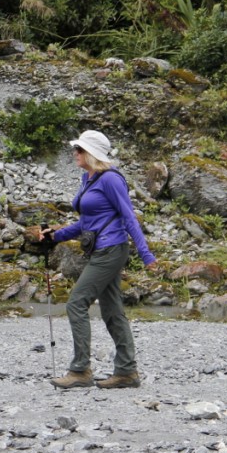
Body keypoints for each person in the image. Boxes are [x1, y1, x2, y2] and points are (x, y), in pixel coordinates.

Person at [41, 130, 158, 389]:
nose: (75, 153)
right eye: (76, 149)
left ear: (92, 154)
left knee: (76, 303)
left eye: (80, 150)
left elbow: (129, 217)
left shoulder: (111, 180)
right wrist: (56, 235)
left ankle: (80, 370)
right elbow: (86, 223)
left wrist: (146, 253)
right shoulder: (88, 179)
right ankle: (127, 372)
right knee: (112, 310)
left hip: (112, 250)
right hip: (99, 249)